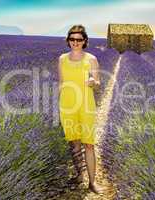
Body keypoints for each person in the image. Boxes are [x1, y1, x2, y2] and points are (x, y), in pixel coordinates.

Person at [58, 24, 104, 194]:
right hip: (67, 105)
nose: (75, 42)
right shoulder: (62, 59)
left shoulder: (91, 59)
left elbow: (98, 83)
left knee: (89, 144)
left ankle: (92, 182)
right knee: (74, 144)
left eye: (78, 39)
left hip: (86, 105)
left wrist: (94, 83)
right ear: (68, 40)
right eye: (72, 39)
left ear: (84, 41)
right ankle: (80, 175)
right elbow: (62, 83)